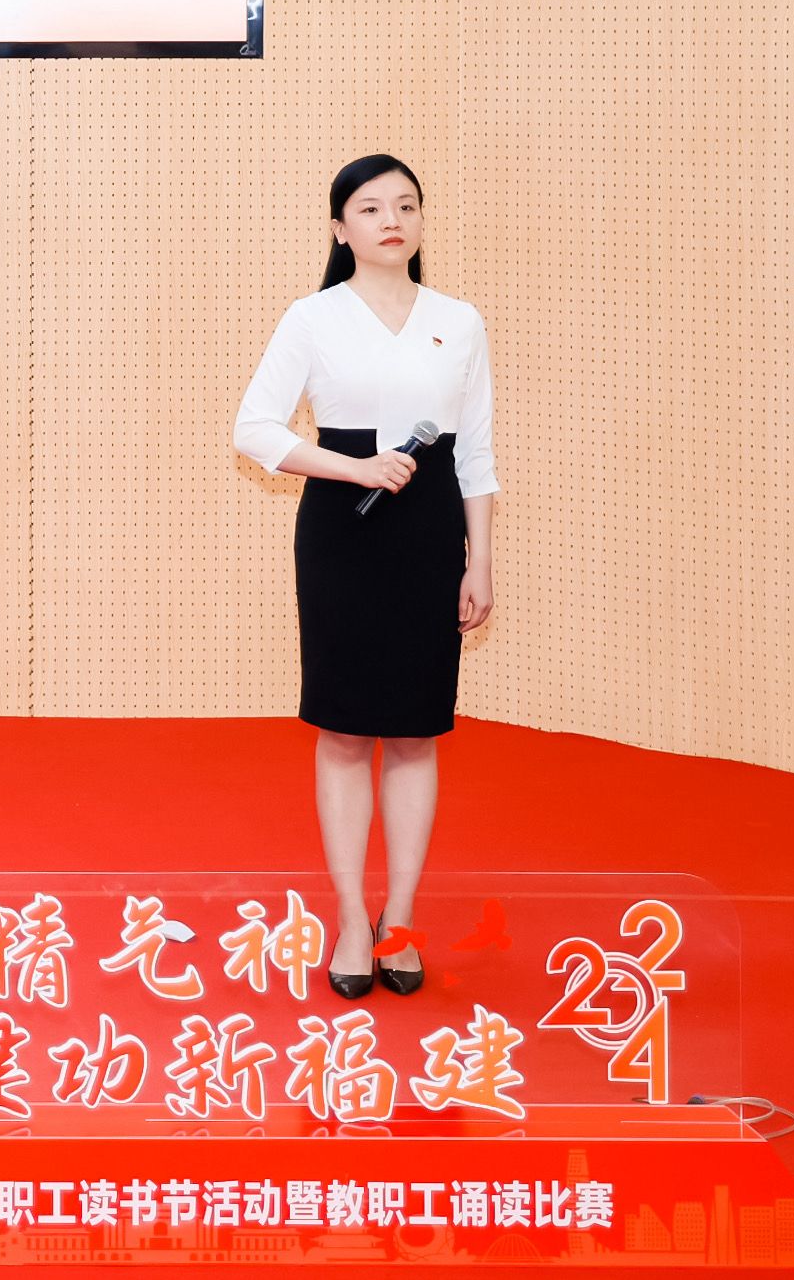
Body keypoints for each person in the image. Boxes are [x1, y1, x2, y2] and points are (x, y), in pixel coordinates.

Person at [233, 155, 497, 1000]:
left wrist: (479, 558)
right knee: (346, 731)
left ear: (421, 222)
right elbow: (254, 429)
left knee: (416, 732)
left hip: (430, 532)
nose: (392, 219)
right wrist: (354, 467)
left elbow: (475, 454)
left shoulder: (459, 320)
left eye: (406, 205)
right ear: (340, 227)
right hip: (342, 530)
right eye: (372, 207)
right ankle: (351, 916)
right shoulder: (313, 317)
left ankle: (400, 919)